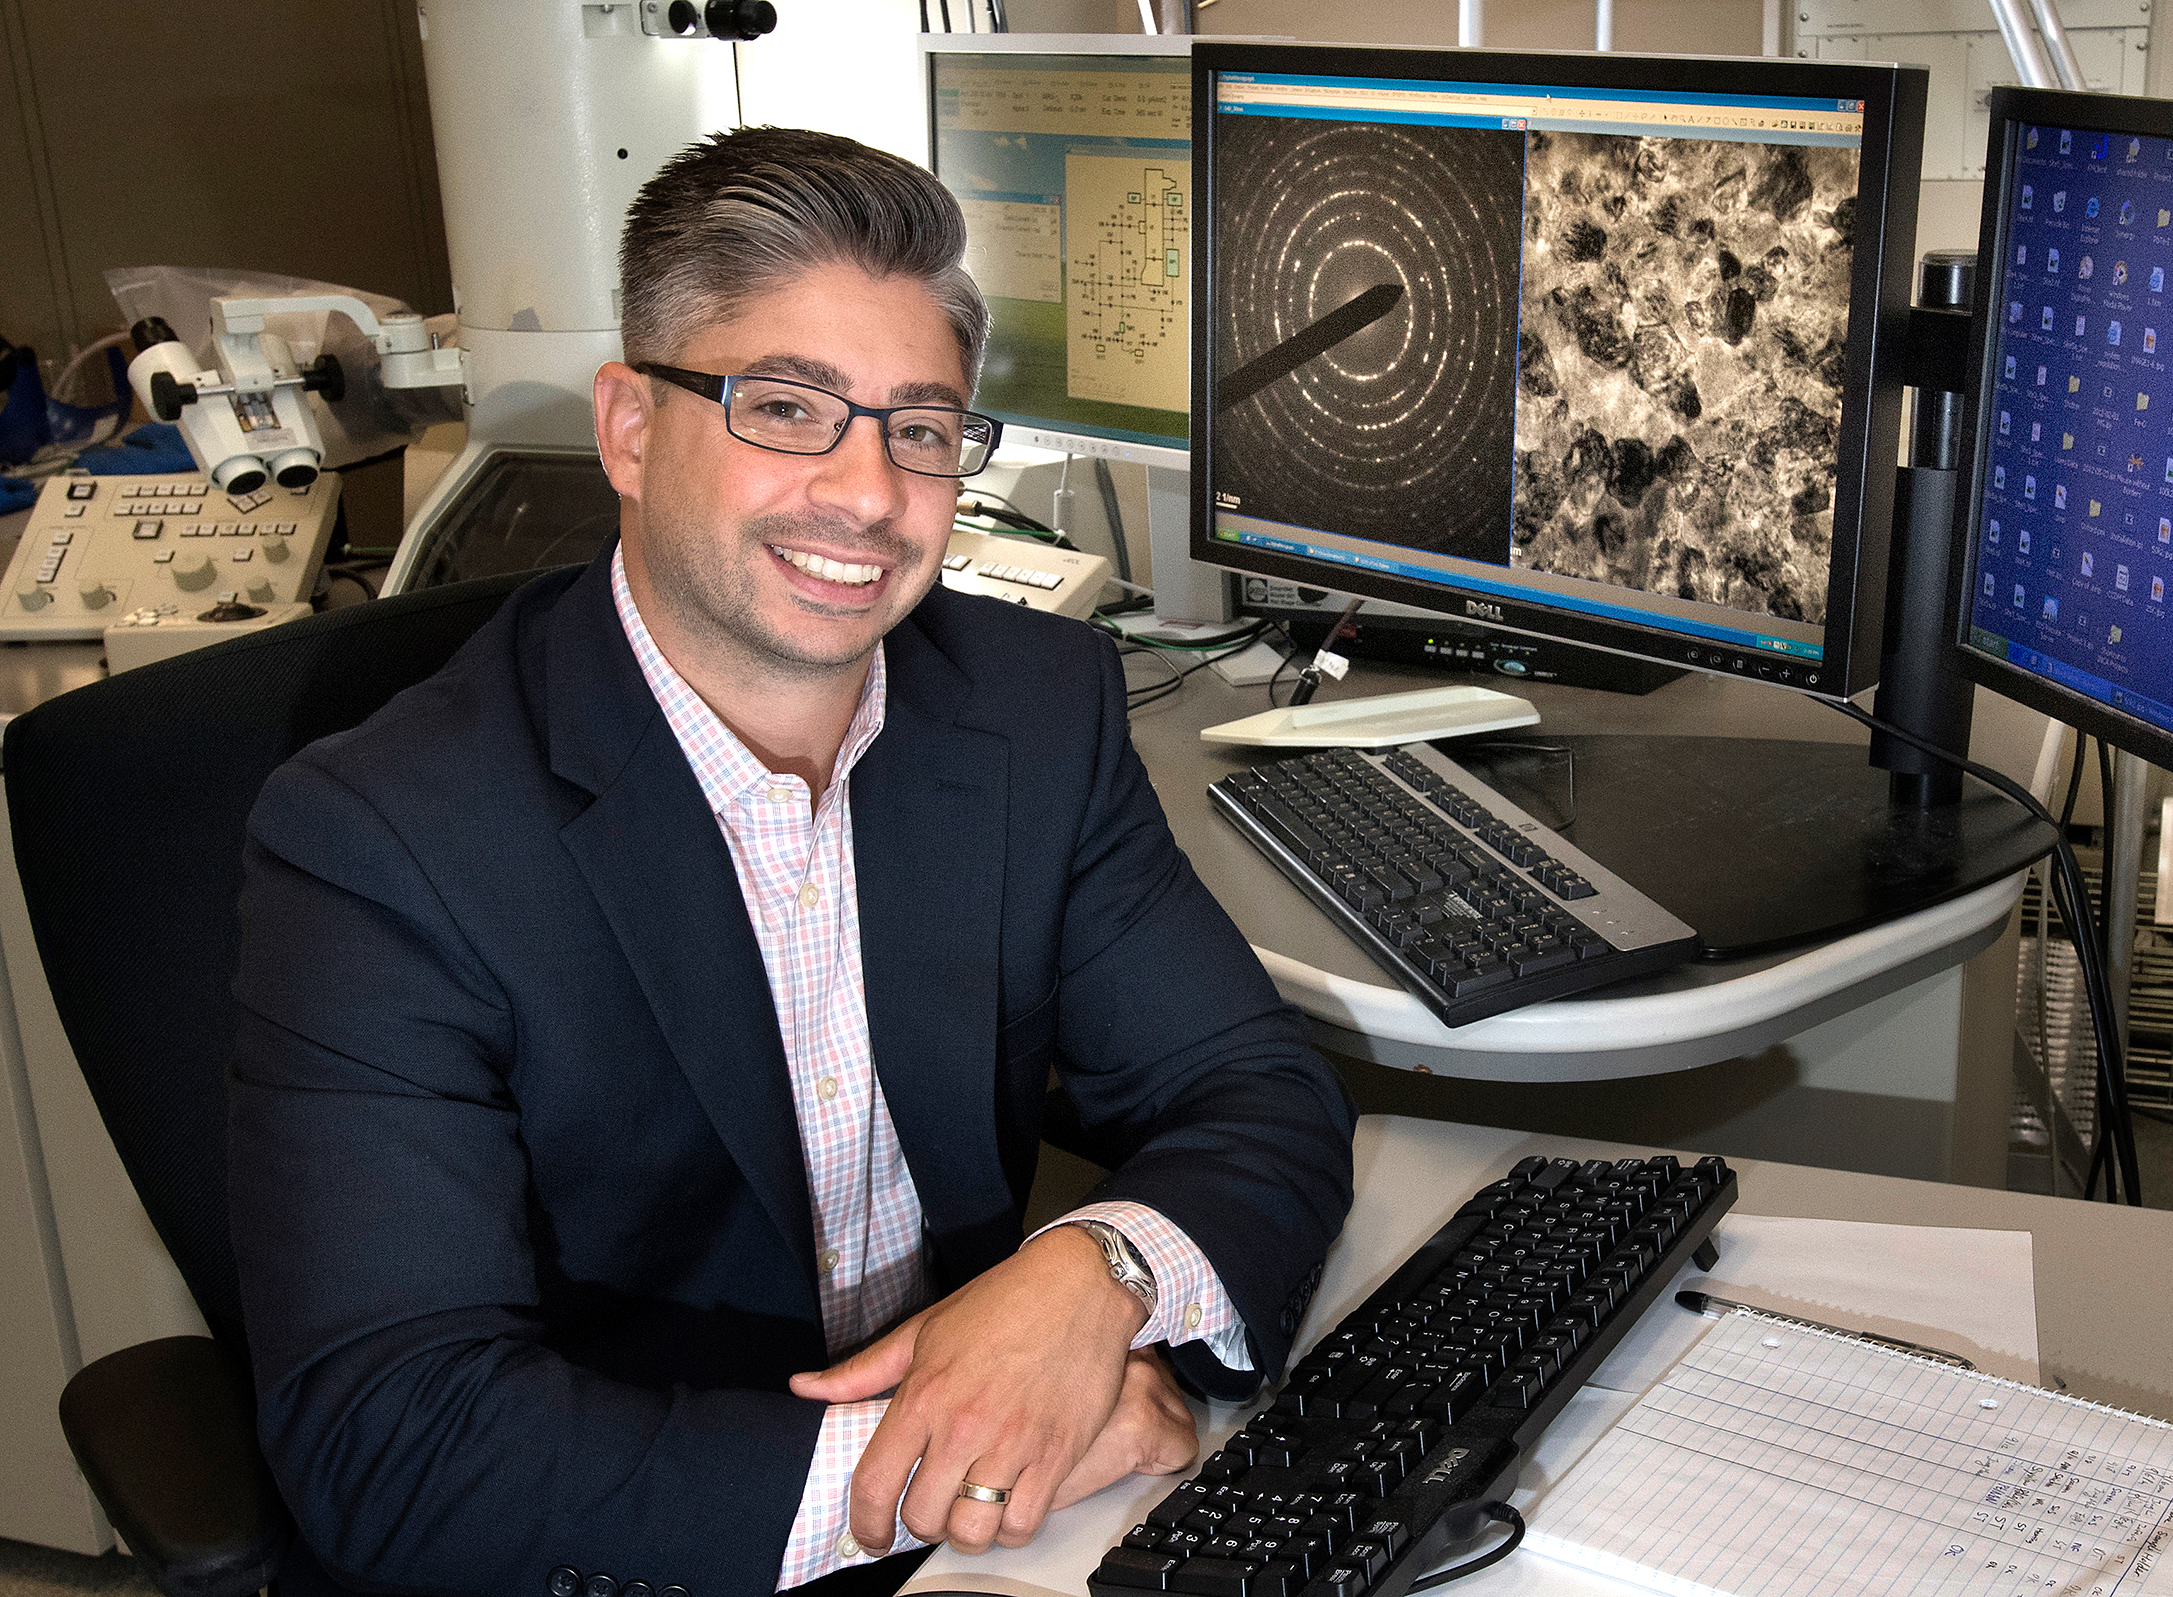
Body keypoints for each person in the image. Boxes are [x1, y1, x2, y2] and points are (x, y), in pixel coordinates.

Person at [228, 126, 1356, 1597]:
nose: (869, 496)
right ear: (629, 429)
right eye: (785, 408)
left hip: (995, 1537)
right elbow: (399, 1443)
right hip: (653, 1544)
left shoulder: (1030, 707)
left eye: (922, 430)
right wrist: (957, 1457)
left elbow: (1256, 1090)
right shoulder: (382, 842)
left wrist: (1096, 1281)